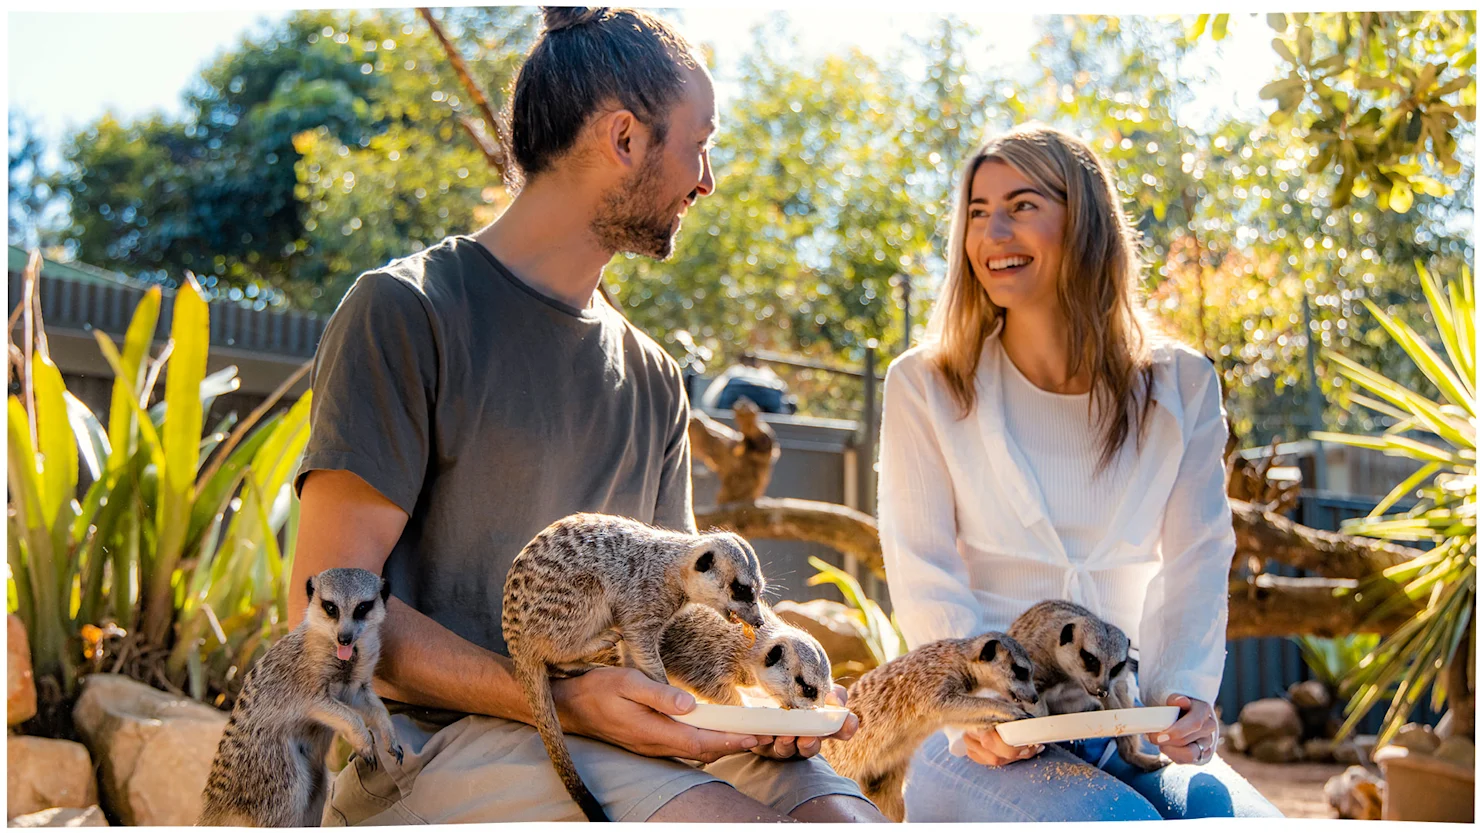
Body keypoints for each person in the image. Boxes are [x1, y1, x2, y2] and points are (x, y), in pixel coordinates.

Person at [288, 7, 883, 824]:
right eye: (698, 143)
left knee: (841, 817)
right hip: (431, 746)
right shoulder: (406, 311)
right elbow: (321, 615)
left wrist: (781, 683)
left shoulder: (654, 376)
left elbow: (685, 620)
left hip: (624, 736)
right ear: (626, 139)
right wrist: (562, 701)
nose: (706, 179)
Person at [875, 123, 1283, 821]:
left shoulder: (1182, 384)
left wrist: (1183, 687)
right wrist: (976, 703)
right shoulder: (926, 383)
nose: (993, 231)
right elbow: (923, 566)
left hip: (1128, 720)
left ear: (1086, 221)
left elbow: (1198, 554)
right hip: (979, 735)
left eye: (1022, 205)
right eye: (977, 212)